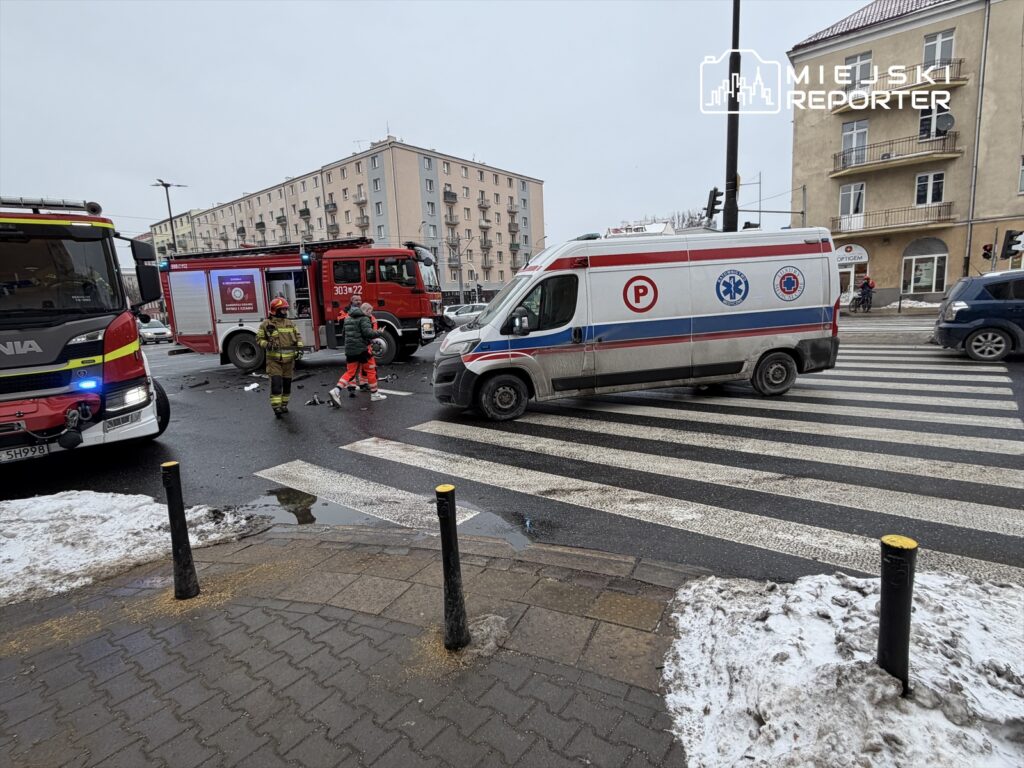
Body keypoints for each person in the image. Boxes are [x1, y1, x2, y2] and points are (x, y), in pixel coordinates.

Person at [330, 302, 387, 404]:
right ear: (367, 310)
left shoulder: (348, 318)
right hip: (361, 350)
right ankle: (375, 394)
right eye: (370, 311)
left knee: (350, 372)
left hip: (350, 350)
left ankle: (336, 390)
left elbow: (344, 334)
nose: (371, 314)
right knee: (371, 370)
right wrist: (379, 332)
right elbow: (368, 333)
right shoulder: (364, 318)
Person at [257, 297, 302, 417]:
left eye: (286, 309)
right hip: (274, 360)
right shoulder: (266, 324)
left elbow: (298, 337)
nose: (285, 312)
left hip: (289, 361)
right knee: (276, 384)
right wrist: (267, 344)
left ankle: (284, 405)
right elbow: (259, 339)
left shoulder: (290, 323)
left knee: (287, 385)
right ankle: (276, 408)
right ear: (275, 310)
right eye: (282, 310)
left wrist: (299, 350)